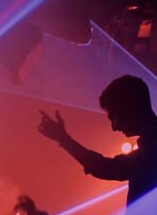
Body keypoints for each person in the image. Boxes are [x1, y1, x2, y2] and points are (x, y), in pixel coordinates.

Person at [38, 75, 157, 208]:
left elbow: (108, 168)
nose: (114, 127)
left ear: (129, 108)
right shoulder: (149, 147)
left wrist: (64, 139)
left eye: (114, 117)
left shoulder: (152, 150)